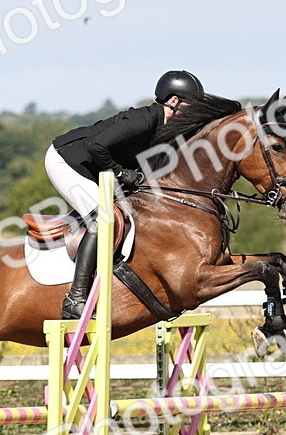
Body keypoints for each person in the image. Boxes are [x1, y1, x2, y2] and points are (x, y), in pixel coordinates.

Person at [45, 69, 204, 319]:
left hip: (96, 168)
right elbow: (97, 147)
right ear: (173, 101)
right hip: (67, 161)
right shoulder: (144, 120)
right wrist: (123, 175)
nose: (194, 114)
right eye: (191, 106)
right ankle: (75, 298)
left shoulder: (168, 131)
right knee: (102, 219)